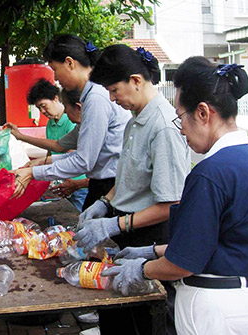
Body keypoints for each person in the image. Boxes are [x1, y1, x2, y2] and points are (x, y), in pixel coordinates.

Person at [102, 57, 248, 335]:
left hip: (213, 310)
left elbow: (184, 263)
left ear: (204, 113)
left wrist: (142, 269)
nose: (180, 127)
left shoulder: (209, 174)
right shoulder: (247, 159)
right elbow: (217, 242)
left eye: (181, 116)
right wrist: (151, 250)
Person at [74, 44, 191, 335]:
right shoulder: (135, 120)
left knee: (145, 321)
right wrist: (103, 202)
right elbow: (127, 177)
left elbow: (171, 203)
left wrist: (114, 223)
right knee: (116, 314)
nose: (113, 100)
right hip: (126, 228)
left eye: (114, 90)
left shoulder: (162, 126)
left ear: (136, 81)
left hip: (149, 236)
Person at [12, 35, 131, 212]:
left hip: (111, 185)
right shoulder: (90, 94)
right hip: (103, 185)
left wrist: (34, 172)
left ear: (69, 63)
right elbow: (62, 145)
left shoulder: (96, 98)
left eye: (54, 69)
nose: (56, 78)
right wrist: (40, 163)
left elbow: (83, 161)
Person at [5, 78, 89, 211]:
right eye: (39, 108)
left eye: (43, 106)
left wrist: (36, 166)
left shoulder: (73, 119)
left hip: (78, 183)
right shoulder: (51, 123)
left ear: (56, 98)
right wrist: (38, 162)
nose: (42, 111)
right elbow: (55, 147)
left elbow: (71, 156)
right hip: (62, 181)